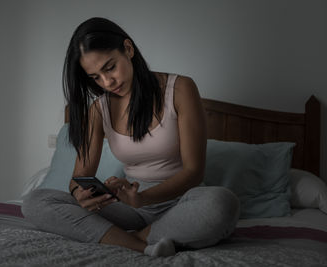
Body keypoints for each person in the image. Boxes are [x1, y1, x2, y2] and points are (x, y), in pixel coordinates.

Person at [22, 17, 240, 257]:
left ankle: (127, 238)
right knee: (37, 201)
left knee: (222, 203)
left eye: (109, 67)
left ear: (128, 48)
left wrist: (143, 198)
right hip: (128, 207)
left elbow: (193, 172)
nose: (107, 82)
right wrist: (79, 193)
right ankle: (141, 245)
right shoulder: (98, 109)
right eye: (95, 77)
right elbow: (80, 175)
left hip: (182, 203)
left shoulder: (180, 89)